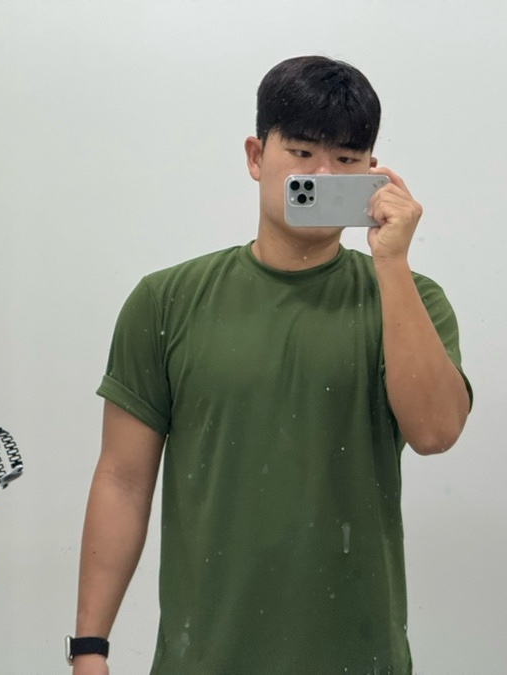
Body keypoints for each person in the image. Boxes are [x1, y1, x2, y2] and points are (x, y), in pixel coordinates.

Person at [70, 55, 473, 675]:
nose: (321, 174)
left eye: (346, 160)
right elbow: (123, 479)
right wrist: (89, 648)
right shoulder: (166, 300)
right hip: (202, 657)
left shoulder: (411, 300)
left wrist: (391, 262)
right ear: (257, 156)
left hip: (358, 655)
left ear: (373, 173)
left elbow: (437, 432)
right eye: (302, 152)